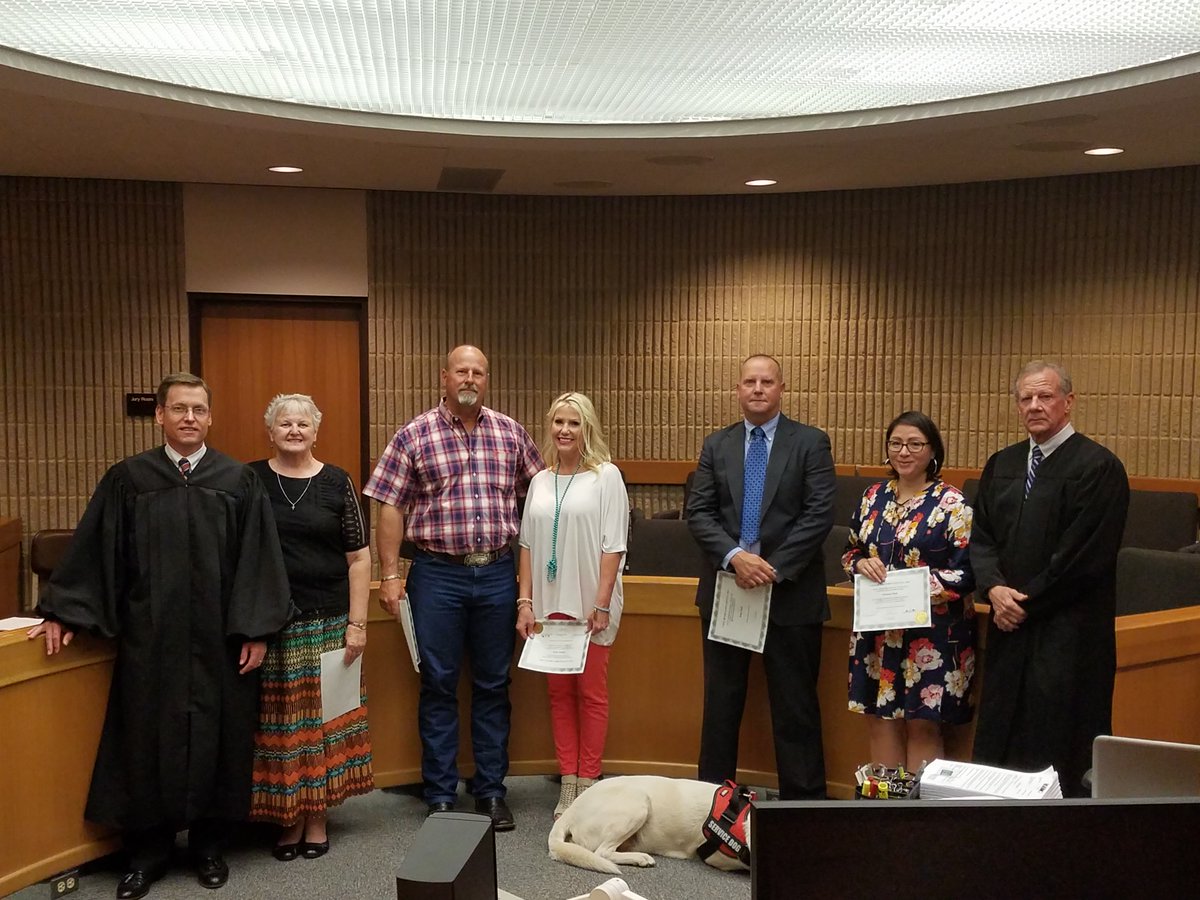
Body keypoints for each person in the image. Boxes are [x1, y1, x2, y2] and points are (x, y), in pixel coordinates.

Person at [28, 373, 291, 900]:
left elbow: (258, 561)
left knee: (221, 738)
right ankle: (146, 855)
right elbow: (95, 554)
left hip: (221, 641)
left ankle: (210, 847)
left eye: (198, 409)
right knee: (144, 741)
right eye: (178, 409)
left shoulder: (237, 481)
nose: (189, 418)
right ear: (160, 417)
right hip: (152, 641)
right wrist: (61, 609)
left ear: (211, 418)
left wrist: (257, 629)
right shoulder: (129, 479)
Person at [364, 345, 543, 830]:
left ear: (488, 379)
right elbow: (390, 506)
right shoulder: (414, 434)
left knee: (493, 684)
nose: (470, 378)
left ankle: (490, 792)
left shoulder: (511, 433)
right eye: (461, 370)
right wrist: (390, 573)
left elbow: (542, 497)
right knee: (438, 684)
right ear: (444, 377)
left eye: (479, 371)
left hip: (498, 574)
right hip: (436, 575)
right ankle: (441, 795)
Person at [971, 360, 1129, 796]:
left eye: (1045, 396)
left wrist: (1021, 603)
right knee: (1003, 736)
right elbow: (980, 537)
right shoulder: (1002, 463)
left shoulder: (1099, 468)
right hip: (1009, 629)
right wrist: (994, 589)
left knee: (1060, 741)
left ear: (1069, 402)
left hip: (1068, 632)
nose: (1035, 405)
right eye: (1026, 398)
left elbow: (1082, 558)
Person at [686, 354, 836, 800]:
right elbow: (699, 512)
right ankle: (710, 806)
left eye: (766, 381)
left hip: (789, 595)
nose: (757, 389)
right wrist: (736, 557)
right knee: (721, 706)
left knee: (796, 708)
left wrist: (771, 567)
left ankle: (803, 806)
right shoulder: (717, 445)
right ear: (737, 389)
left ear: (781, 389)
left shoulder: (811, 442)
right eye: (749, 381)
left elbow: (818, 514)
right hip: (729, 593)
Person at [247, 393, 374, 860]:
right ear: (271, 431)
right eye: (285, 424)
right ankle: (288, 818)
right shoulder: (251, 480)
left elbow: (359, 559)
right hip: (275, 625)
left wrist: (357, 625)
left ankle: (317, 817)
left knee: (324, 725)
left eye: (303, 424)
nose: (294, 431)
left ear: (316, 431)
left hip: (330, 622)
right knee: (283, 728)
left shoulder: (338, 481)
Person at [516, 392, 629, 818]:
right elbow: (526, 544)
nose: (565, 430)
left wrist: (601, 602)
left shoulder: (607, 477)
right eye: (559, 421)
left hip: (590, 604)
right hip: (548, 604)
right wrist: (525, 601)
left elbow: (613, 546)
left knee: (592, 693)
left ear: (588, 429)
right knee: (559, 695)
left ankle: (589, 780)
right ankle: (568, 782)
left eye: (574, 423)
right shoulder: (541, 481)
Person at [841, 411, 976, 771]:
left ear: (932, 451)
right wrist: (860, 564)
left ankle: (920, 820)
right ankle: (885, 814)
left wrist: (914, 587)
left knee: (922, 724)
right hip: (878, 631)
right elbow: (850, 550)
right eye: (897, 443)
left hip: (930, 634)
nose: (905, 451)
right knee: (880, 720)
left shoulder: (953, 503)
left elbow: (967, 572)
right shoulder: (872, 496)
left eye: (915, 444)